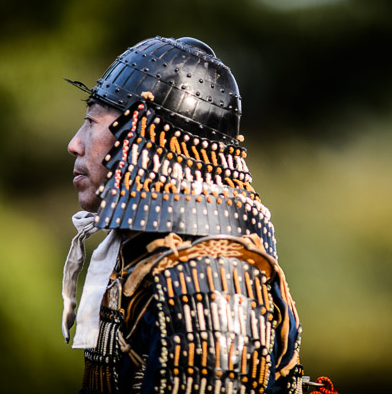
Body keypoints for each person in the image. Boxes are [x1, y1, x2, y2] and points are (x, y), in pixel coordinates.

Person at [61, 36, 304, 394]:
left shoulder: (212, 277)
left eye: (92, 122)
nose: (75, 143)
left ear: (141, 135)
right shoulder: (147, 255)